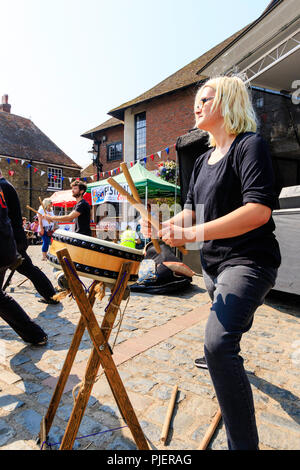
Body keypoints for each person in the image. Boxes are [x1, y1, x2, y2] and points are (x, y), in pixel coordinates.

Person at [141, 76, 281, 450]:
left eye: (204, 99)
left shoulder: (249, 146)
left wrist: (192, 234)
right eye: (196, 102)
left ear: (228, 102)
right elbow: (190, 212)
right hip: (213, 268)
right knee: (229, 326)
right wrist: (166, 224)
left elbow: (258, 210)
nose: (196, 106)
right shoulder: (202, 160)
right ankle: (234, 328)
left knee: (217, 346)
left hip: (249, 261)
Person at [0, 171, 58, 305]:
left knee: (27, 268)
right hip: (13, 237)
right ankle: (51, 295)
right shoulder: (5, 186)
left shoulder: (3, 187)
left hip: (11, 239)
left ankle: (51, 296)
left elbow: (4, 218)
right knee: (28, 268)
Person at [0, 182, 48, 345]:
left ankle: (35, 334)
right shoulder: (4, 186)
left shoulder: (5, 186)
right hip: (7, 244)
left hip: (7, 244)